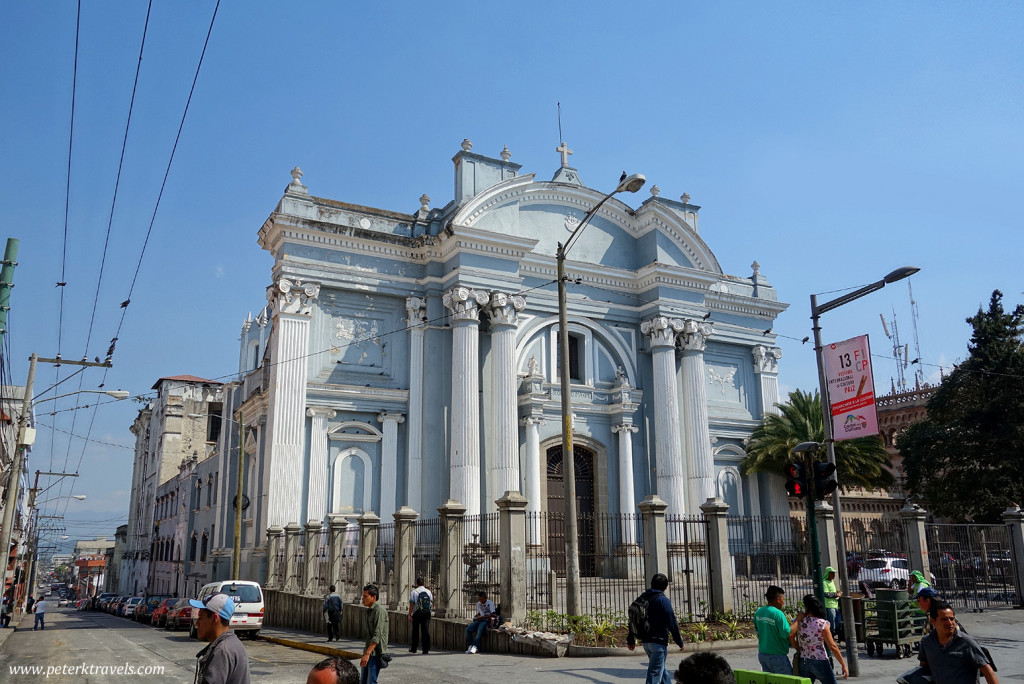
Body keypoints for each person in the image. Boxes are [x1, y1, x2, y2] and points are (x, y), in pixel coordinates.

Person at [918, 600, 998, 684]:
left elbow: (988, 671)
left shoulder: (967, 642)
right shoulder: (927, 642)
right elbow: (923, 669)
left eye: (952, 619)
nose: (950, 623)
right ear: (933, 621)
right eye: (944, 619)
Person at [626, 573, 685, 684]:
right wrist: (679, 642)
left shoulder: (642, 597)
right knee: (655, 674)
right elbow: (672, 623)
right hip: (658, 643)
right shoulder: (663, 601)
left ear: (652, 584)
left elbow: (632, 619)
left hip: (646, 642)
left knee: (661, 671)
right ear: (666, 587)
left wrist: (630, 640)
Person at [189, 592, 251, 684]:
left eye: (200, 617)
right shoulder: (232, 643)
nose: (197, 624)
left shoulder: (222, 651)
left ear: (215, 618)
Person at [791, 594, 848, 683]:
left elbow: (791, 635)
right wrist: (843, 664)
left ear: (806, 607)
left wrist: (797, 647)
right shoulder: (822, 624)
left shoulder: (799, 621)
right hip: (820, 659)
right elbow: (832, 646)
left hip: (803, 659)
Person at [754, 585, 792, 674]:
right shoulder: (778, 614)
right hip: (777, 656)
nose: (783, 602)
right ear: (778, 599)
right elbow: (786, 633)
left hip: (763, 654)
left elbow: (758, 632)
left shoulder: (759, 612)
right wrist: (797, 622)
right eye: (783, 599)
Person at [359, 584, 388, 684]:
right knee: (363, 681)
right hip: (368, 650)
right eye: (363, 596)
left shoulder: (379, 610)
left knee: (371, 681)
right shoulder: (369, 610)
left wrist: (367, 654)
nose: (363, 599)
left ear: (374, 597)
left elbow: (377, 635)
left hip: (376, 653)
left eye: (366, 596)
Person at [407, 576, 432, 655]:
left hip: (417, 613)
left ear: (416, 584)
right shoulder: (428, 591)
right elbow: (431, 602)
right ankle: (426, 649)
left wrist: (409, 614)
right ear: (424, 583)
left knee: (415, 631)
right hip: (427, 613)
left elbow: (411, 604)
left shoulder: (414, 592)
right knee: (425, 631)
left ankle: (414, 648)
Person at [822, 566, 842, 638]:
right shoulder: (824, 582)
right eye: (832, 573)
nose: (834, 575)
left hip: (835, 605)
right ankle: (831, 637)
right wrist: (836, 594)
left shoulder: (832, 582)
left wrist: (837, 593)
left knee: (839, 622)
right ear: (828, 574)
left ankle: (834, 634)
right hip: (829, 606)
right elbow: (826, 594)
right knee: (831, 623)